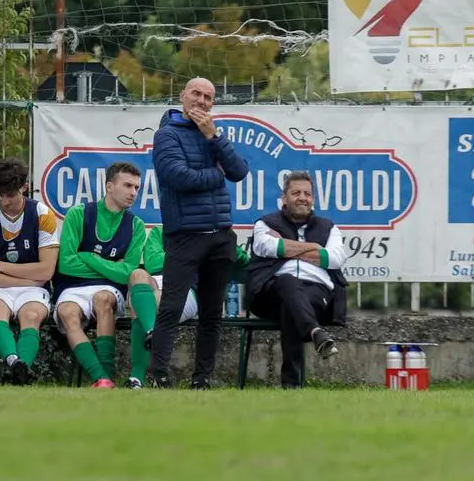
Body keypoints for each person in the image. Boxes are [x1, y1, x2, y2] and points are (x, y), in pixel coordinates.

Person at [149, 77, 249, 389]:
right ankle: (159, 375)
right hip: (185, 236)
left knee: (212, 314)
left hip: (220, 235)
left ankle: (202, 379)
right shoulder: (166, 135)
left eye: (208, 97)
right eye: (196, 93)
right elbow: (179, 177)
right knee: (171, 308)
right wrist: (215, 175)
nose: (202, 101)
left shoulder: (214, 135)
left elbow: (240, 171)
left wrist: (213, 136)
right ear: (183, 96)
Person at [245, 171, 348, 389]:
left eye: (307, 194)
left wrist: (287, 247)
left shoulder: (329, 227)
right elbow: (268, 246)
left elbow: (335, 258)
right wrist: (315, 248)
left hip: (316, 295)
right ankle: (315, 333)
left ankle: (292, 384)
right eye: (296, 193)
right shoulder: (265, 223)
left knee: (290, 306)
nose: (302, 197)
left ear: (313, 199)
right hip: (270, 295)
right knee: (287, 282)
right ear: (284, 198)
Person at [52, 162, 146, 389]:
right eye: (128, 186)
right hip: (71, 287)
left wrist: (88, 257)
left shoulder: (136, 225)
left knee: (102, 300)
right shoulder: (78, 214)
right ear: (109, 186)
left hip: (109, 289)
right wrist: (112, 266)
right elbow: (65, 264)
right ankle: (101, 378)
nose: (133, 192)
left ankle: (108, 373)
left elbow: (128, 273)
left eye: (136, 187)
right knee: (67, 312)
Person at [0, 158, 59, 385]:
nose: (5, 201)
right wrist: (30, 277)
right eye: (0, 195)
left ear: (24, 187)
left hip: (26, 288)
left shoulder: (43, 215)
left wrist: (0, 266)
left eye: (10, 195)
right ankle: (15, 363)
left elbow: (47, 270)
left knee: (31, 316)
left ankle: (22, 368)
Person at [124, 225, 250, 389]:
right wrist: (191, 259)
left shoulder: (214, 233)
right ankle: (152, 333)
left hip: (186, 289)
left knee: (145, 303)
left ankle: (136, 377)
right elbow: (153, 263)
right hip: (159, 281)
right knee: (137, 275)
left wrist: (183, 258)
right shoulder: (161, 230)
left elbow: (242, 260)